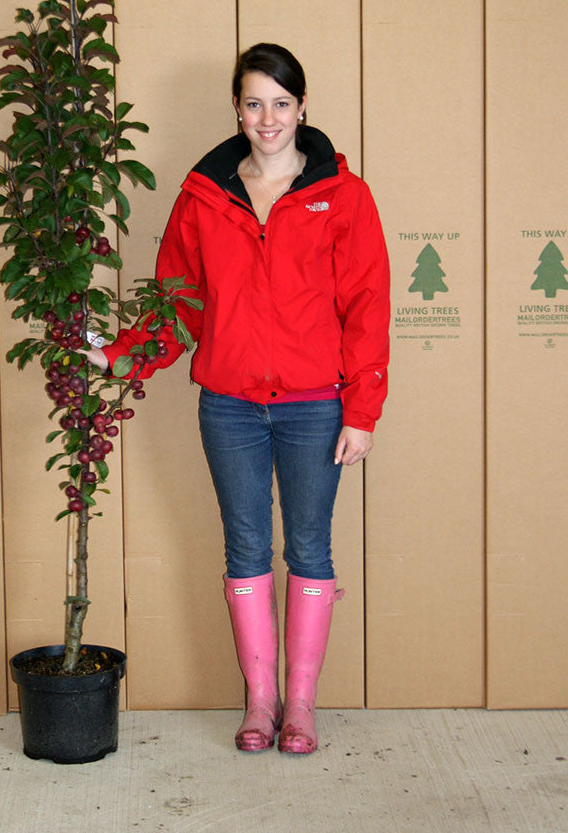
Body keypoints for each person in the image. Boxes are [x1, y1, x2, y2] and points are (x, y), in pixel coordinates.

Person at [84, 43, 389, 754]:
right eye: (254, 103)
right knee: (246, 545)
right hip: (229, 404)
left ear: (303, 107)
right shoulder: (204, 195)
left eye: (282, 103)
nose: (268, 118)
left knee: (310, 546)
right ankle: (261, 703)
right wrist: (122, 354)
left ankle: (302, 708)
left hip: (316, 404)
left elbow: (367, 308)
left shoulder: (343, 196)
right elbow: (179, 301)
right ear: (237, 108)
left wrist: (362, 412)